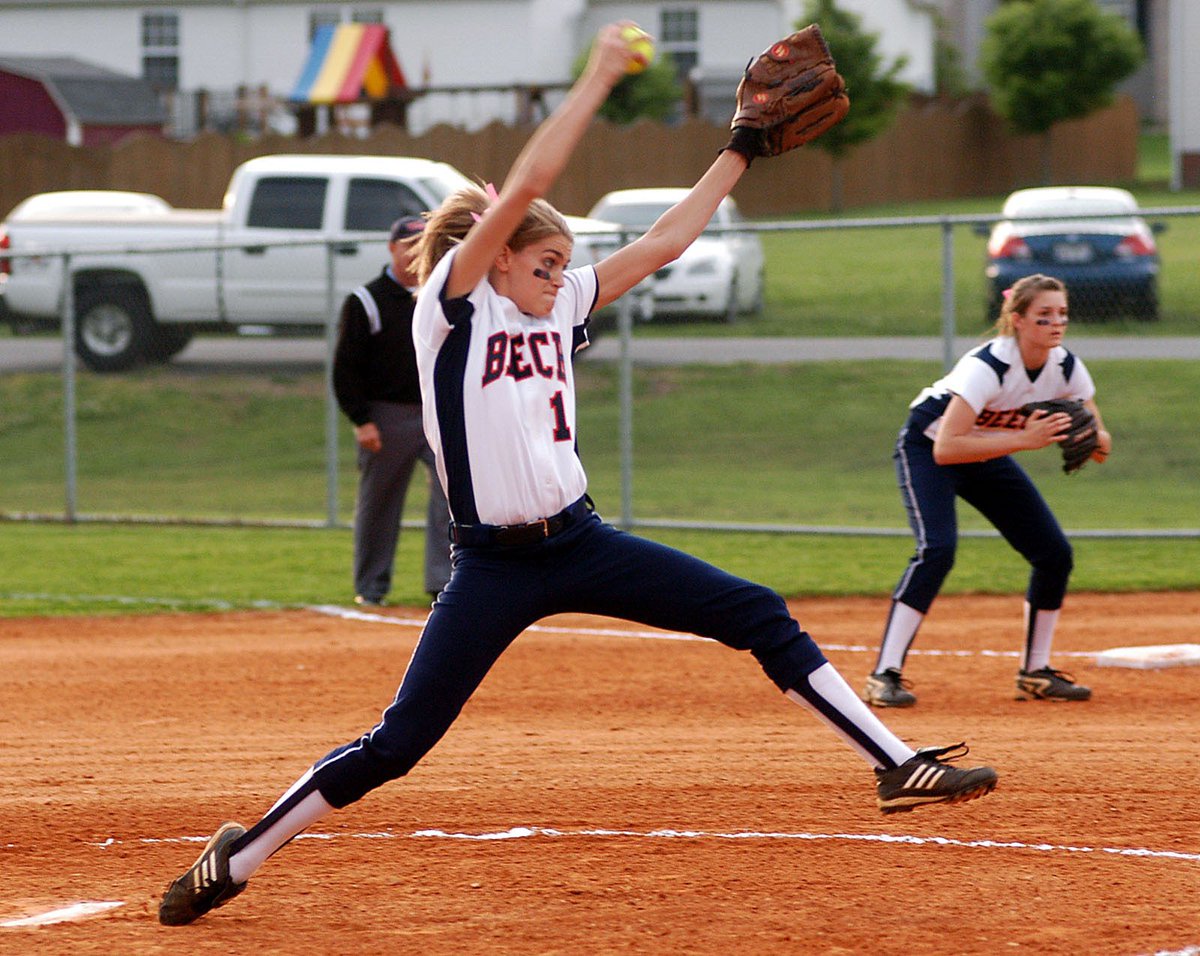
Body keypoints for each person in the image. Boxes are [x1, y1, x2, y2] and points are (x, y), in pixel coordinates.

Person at [158, 23, 998, 927]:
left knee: (757, 612)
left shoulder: (560, 307)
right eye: (545, 263)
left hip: (583, 541)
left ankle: (894, 764)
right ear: (496, 260)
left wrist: (739, 152)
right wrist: (597, 78)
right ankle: (239, 856)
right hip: (490, 567)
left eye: (565, 265)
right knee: (400, 744)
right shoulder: (451, 314)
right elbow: (524, 188)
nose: (562, 279)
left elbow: (668, 241)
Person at [863, 273, 1111, 709]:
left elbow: (1100, 440)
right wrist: (1025, 440)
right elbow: (945, 448)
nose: (1056, 324)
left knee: (1054, 554)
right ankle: (884, 675)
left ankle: (1035, 673)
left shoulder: (1066, 366)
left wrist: (1088, 437)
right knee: (937, 551)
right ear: (1017, 320)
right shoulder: (989, 366)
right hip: (928, 448)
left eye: (1062, 315)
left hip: (985, 455)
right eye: (1043, 316)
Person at [332, 214, 452, 604]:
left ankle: (444, 584)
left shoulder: (441, 295)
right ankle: (371, 588)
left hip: (437, 411)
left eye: (423, 246)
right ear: (391, 248)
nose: (415, 254)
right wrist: (362, 420)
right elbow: (345, 368)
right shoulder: (367, 300)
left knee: (452, 500)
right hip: (386, 415)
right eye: (408, 246)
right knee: (379, 502)